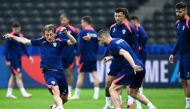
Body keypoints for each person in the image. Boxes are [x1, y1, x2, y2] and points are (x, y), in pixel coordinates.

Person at [4, 24, 76, 109]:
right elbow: (25, 41)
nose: (49, 36)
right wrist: (12, 36)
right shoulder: (41, 41)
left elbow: (73, 41)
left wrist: (66, 34)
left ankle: (55, 106)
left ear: (55, 34)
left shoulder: (60, 42)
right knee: (56, 90)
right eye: (47, 35)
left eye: (51, 34)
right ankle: (60, 107)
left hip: (60, 72)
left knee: (65, 97)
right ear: (44, 35)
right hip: (48, 72)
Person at [98, 29, 157, 109]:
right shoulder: (119, 40)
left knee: (112, 89)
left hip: (130, 68)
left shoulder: (112, 45)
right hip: (140, 65)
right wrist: (111, 57)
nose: (100, 43)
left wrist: (133, 66)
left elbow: (125, 53)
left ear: (104, 37)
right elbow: (125, 52)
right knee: (134, 93)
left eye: (100, 40)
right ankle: (152, 107)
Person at [103, 7, 139, 109]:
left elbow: (135, 45)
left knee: (128, 84)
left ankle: (130, 104)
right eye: (115, 16)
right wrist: (106, 55)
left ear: (124, 16)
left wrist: (135, 59)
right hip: (115, 60)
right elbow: (109, 43)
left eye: (119, 16)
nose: (117, 18)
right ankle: (107, 104)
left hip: (126, 60)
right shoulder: (112, 28)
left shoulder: (130, 28)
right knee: (108, 82)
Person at [70, 16, 100, 100]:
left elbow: (80, 46)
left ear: (86, 22)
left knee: (80, 76)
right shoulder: (95, 32)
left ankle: (76, 95)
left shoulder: (83, 32)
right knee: (95, 75)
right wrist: (94, 54)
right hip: (93, 57)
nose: (81, 24)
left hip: (84, 57)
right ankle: (96, 95)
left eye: (82, 22)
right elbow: (97, 46)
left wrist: (77, 56)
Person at [169, 2, 190, 109]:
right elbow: (179, 41)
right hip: (182, 57)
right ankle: (187, 105)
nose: (178, 13)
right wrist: (173, 53)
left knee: (189, 81)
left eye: (180, 11)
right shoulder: (178, 23)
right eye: (177, 11)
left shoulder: (188, 22)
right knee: (183, 81)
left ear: (185, 11)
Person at [4, 22, 33, 99]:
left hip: (18, 58)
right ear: (13, 29)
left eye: (18, 28)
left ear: (20, 28)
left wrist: (28, 56)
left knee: (13, 76)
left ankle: (8, 93)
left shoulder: (20, 36)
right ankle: (24, 94)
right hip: (12, 59)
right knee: (18, 75)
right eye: (15, 29)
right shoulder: (10, 37)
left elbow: (23, 47)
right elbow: (6, 48)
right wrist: (7, 59)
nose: (17, 30)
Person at [128, 15, 148, 109]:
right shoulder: (135, 29)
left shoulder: (139, 28)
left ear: (135, 20)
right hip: (138, 54)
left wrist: (141, 46)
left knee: (138, 71)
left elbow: (145, 37)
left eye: (132, 21)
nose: (131, 23)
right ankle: (132, 100)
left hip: (141, 54)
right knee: (134, 73)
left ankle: (138, 93)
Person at [56, 14, 78, 97]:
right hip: (61, 55)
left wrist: (76, 53)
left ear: (68, 20)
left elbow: (76, 42)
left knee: (69, 73)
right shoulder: (58, 30)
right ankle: (61, 91)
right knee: (60, 73)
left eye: (65, 20)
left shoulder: (73, 29)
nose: (63, 21)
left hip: (70, 54)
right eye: (62, 20)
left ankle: (69, 91)